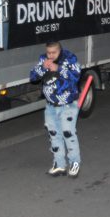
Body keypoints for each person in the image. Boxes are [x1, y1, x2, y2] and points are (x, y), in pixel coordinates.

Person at [30, 41, 82, 178]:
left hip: (68, 104)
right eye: (49, 52)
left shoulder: (69, 58)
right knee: (54, 134)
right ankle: (59, 164)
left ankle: (74, 162)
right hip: (51, 105)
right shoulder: (43, 59)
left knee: (68, 133)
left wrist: (58, 68)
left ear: (60, 50)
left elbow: (76, 76)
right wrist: (43, 68)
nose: (51, 55)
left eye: (54, 52)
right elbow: (33, 77)